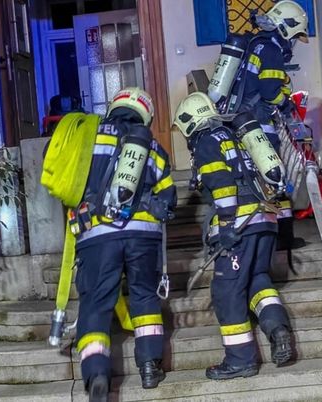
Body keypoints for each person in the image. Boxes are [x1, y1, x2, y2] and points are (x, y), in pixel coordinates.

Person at [173, 92, 293, 380]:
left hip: (240, 224)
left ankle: (241, 359)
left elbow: (222, 185)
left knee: (227, 292)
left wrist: (226, 227)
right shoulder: (234, 135)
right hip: (265, 219)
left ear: (190, 121)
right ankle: (278, 330)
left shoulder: (206, 142)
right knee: (258, 281)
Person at [72, 87, 176, 401]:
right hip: (143, 235)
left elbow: (70, 181)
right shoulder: (153, 147)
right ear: (146, 114)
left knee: (96, 304)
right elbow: (169, 198)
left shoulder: (90, 137)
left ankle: (97, 375)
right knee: (145, 297)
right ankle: (149, 367)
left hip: (97, 236)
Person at [233, 0, 310, 250]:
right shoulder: (272, 50)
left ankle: (272, 237)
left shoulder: (257, 44)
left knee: (261, 182)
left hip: (244, 122)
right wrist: (287, 105)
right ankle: (282, 238)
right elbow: (270, 91)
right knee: (276, 178)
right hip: (261, 126)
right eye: (296, 34)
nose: (296, 41)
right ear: (286, 26)